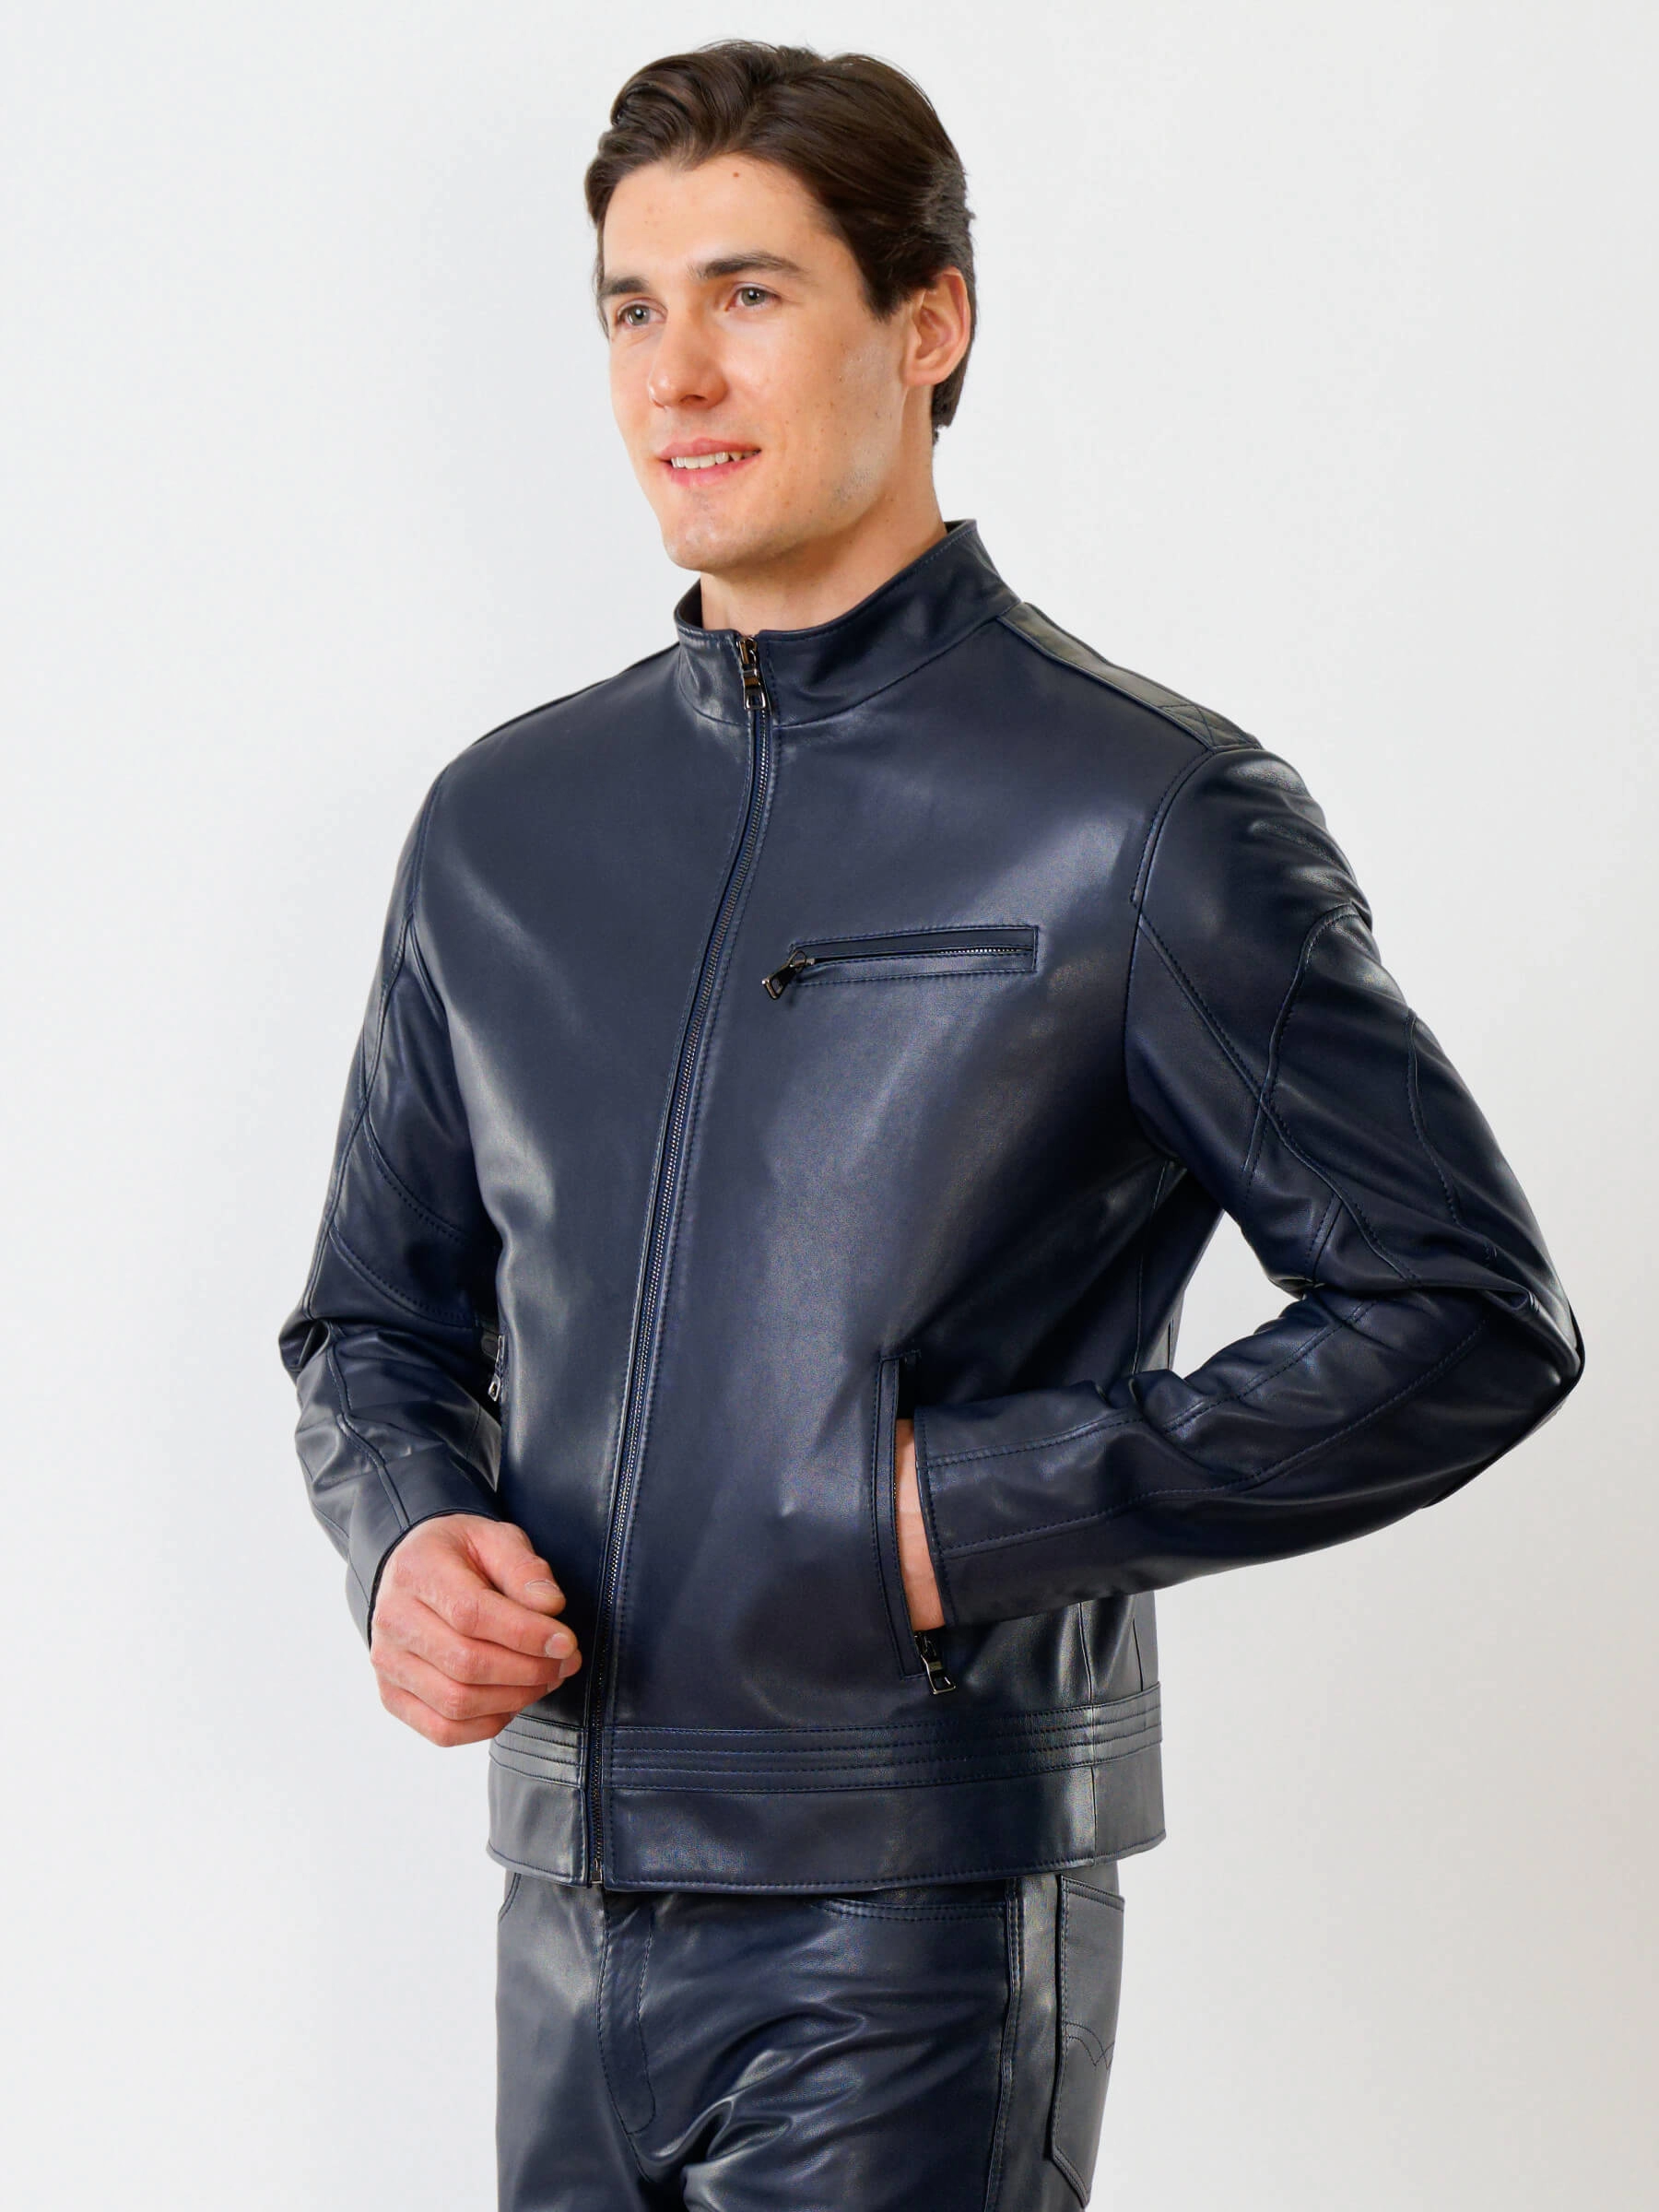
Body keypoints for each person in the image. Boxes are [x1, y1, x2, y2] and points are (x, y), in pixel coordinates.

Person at [277, 39, 1584, 2211]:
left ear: (929, 321)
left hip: (913, 1929)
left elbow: (1463, 1311)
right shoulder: (502, 828)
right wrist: (406, 1539)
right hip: (561, 1907)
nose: (679, 373)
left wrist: (955, 1516)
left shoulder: (1141, 819)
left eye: (752, 292)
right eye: (632, 306)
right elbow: (373, 1325)